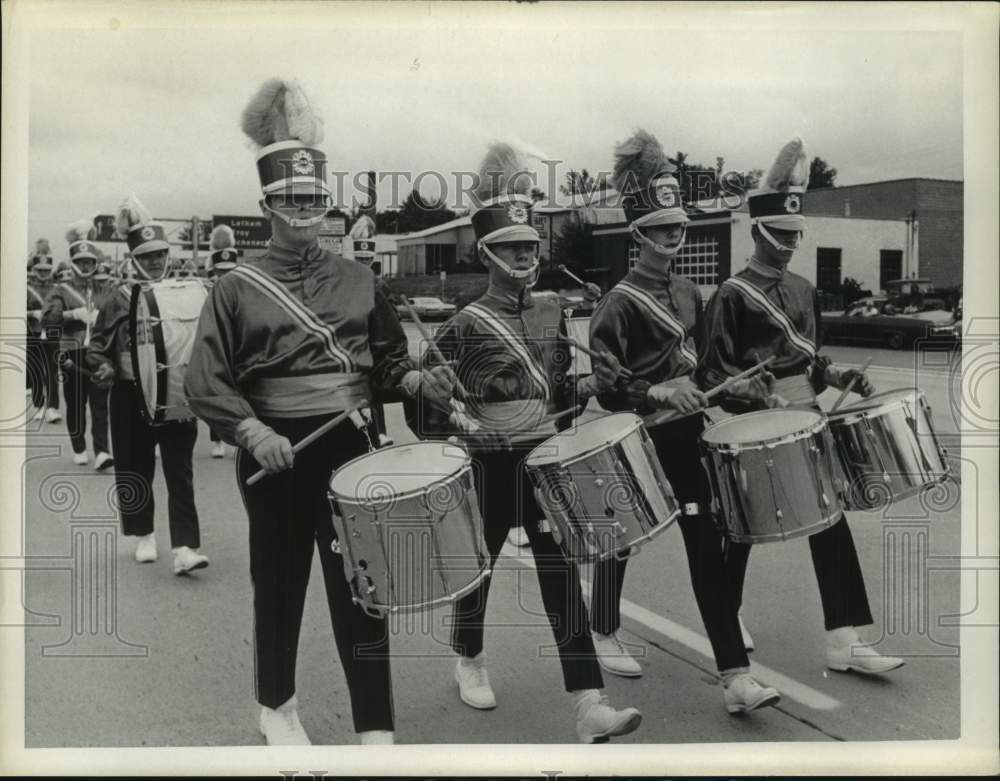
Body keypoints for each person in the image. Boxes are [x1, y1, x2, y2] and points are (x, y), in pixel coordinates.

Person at [184, 77, 454, 746]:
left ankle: (375, 725)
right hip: (274, 450)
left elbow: (386, 363)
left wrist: (415, 380)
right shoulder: (234, 286)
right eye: (290, 200)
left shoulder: (361, 279)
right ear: (268, 204)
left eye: (313, 200)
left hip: (350, 447)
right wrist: (249, 430)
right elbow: (205, 378)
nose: (304, 211)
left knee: (364, 586)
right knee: (280, 583)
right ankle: (275, 705)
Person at [414, 142, 643, 744]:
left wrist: (597, 382)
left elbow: (561, 391)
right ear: (488, 253)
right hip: (489, 462)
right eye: (512, 246)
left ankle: (589, 702)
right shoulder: (463, 324)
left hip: (542, 458)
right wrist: (458, 419)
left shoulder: (549, 315)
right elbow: (427, 412)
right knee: (479, 568)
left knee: (560, 570)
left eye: (530, 245)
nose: (525, 254)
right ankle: (468, 656)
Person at [584, 129, 781, 714]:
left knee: (706, 541)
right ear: (639, 233)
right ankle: (600, 627)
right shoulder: (617, 302)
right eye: (665, 227)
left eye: (680, 225)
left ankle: (734, 678)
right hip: (636, 436)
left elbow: (707, 365)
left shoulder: (691, 293)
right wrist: (655, 390)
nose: (676, 233)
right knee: (622, 539)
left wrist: (737, 382)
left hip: (686, 436)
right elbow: (605, 381)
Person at [697, 137, 904, 675]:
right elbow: (711, 373)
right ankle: (727, 614)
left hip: (808, 416)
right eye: (780, 236)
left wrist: (840, 376)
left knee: (829, 520)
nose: (788, 245)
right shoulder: (732, 295)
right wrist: (750, 392)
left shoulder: (805, 288)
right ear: (758, 230)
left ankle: (844, 637)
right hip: (753, 423)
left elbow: (811, 361)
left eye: (795, 236)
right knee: (739, 528)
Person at [87, 195, 209, 576]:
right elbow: (95, 347)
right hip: (128, 394)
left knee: (180, 472)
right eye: (147, 255)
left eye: (160, 254)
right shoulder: (117, 298)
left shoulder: (184, 291)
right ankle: (143, 535)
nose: (155, 261)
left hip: (174, 393)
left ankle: (186, 547)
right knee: (135, 469)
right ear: (134, 258)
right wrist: (103, 366)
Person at [42, 222, 113, 470]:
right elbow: (48, 319)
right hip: (71, 352)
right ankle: (79, 447)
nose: (86, 266)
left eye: (90, 261)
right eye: (81, 261)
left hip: (98, 352)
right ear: (73, 262)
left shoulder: (105, 289)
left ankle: (103, 451)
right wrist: (74, 314)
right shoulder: (60, 289)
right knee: (75, 403)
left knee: (100, 404)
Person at [204, 224, 241, 458]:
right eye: (220, 271)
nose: (224, 275)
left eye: (229, 270)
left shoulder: (242, 287)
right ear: (214, 270)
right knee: (216, 394)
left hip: (238, 348)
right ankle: (217, 439)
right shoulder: (207, 289)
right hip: (216, 346)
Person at [26, 242, 61, 422]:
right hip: (33, 333)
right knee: (36, 370)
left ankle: (53, 407)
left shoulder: (58, 288)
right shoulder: (26, 288)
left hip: (53, 333)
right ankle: (38, 405)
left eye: (47, 270)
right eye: (40, 270)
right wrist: (33, 313)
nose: (44, 274)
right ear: (34, 269)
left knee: (53, 370)